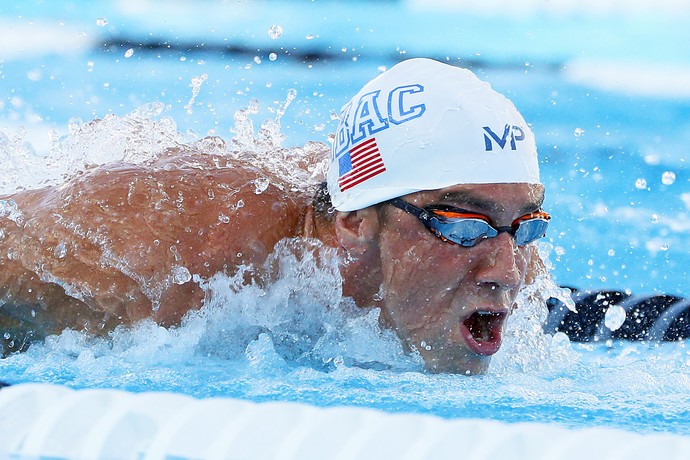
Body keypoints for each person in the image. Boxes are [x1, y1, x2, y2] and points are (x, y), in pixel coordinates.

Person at [0, 58, 548, 374]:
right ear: (355, 221)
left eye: (527, 223)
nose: (506, 270)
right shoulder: (173, 256)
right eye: (460, 223)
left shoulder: (513, 254)